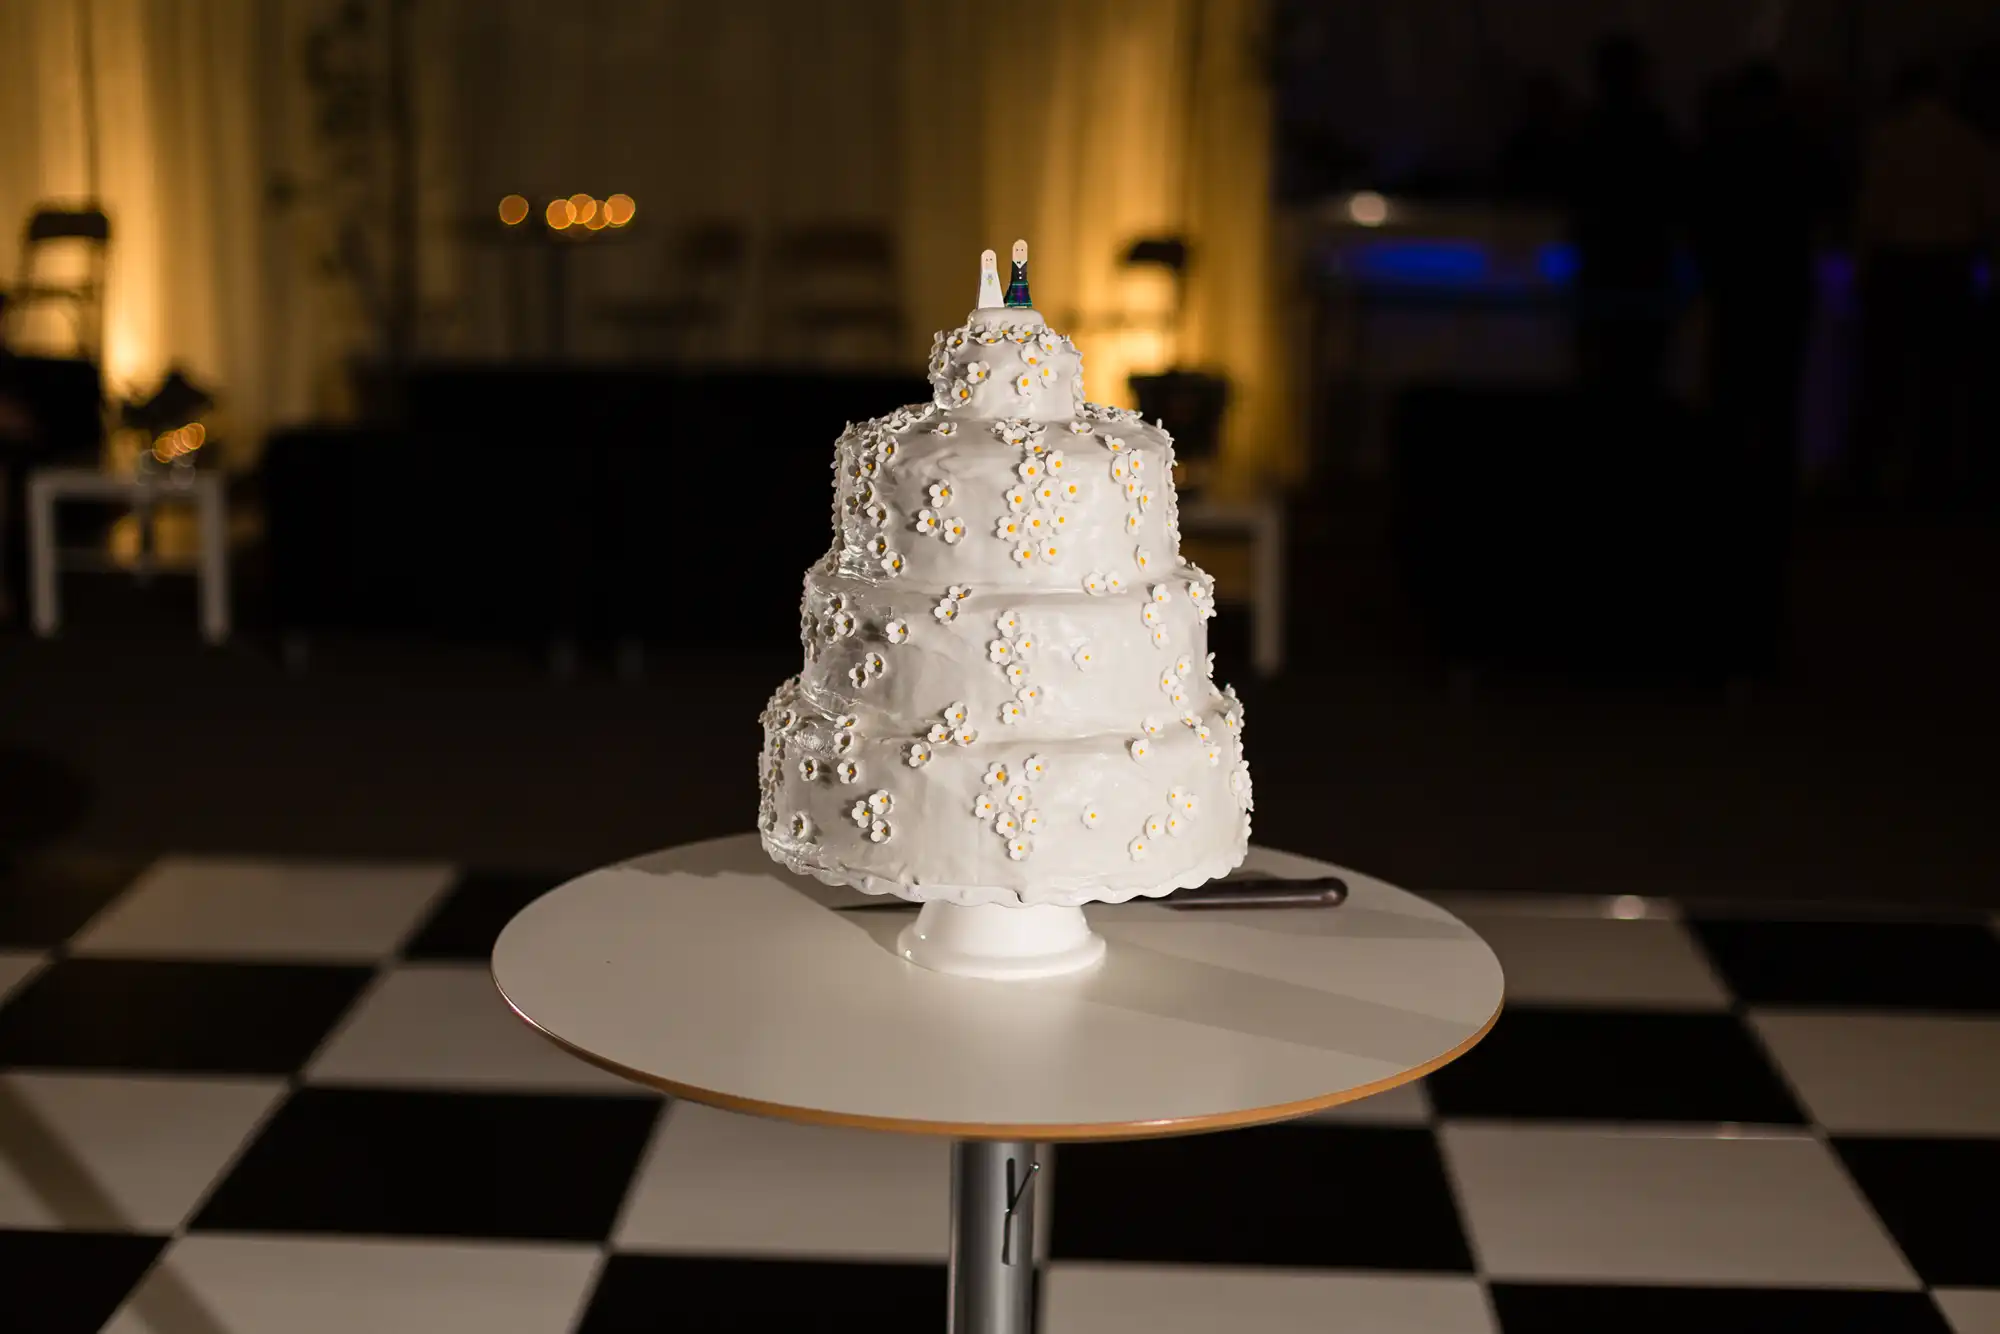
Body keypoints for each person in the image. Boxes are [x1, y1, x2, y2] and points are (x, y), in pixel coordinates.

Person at [1852, 61, 2000, 508]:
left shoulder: (1887, 140)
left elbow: (1871, 212)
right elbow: (1990, 212)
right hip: (1949, 268)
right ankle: (1933, 482)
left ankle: (1871, 480)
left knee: (1885, 380)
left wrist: (1863, 267)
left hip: (1895, 266)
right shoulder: (1970, 142)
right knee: (1940, 380)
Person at [1568, 33, 1684, 398]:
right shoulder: (1654, 130)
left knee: (1604, 375)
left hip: (1606, 271)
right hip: (1641, 273)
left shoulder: (1590, 131)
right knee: (1639, 379)